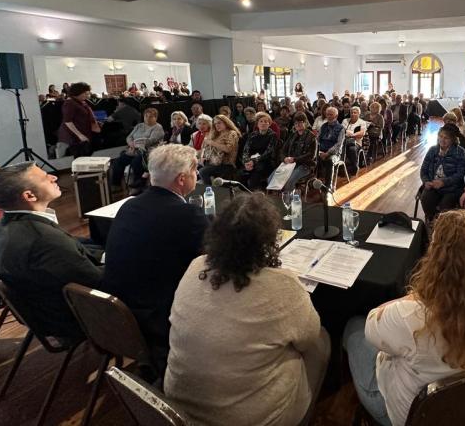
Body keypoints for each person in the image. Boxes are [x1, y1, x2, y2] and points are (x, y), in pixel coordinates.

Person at [343, 209, 465, 426]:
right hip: (462, 410)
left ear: (437, 263)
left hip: (406, 415)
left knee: (353, 328)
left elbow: (371, 328)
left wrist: (420, 293)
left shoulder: (414, 315)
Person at [165, 193, 329, 426]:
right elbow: (309, 338)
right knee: (322, 341)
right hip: (251, 419)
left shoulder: (195, 266)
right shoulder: (283, 285)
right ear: (270, 240)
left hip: (177, 410)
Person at [105, 145, 208, 356]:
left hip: (117, 315)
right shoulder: (188, 215)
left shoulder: (129, 205)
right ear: (181, 179)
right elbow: (212, 261)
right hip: (159, 320)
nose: (197, 174)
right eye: (195, 170)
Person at [0, 163, 103, 339]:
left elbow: (71, 251)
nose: (54, 177)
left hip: (42, 308)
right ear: (29, 195)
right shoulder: (43, 239)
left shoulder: (0, 226)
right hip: (70, 318)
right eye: (45, 177)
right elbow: (98, 282)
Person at [419, 124, 465, 224]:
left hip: (452, 188)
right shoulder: (433, 150)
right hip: (433, 185)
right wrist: (426, 181)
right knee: (425, 199)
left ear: (453, 140)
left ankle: (443, 226)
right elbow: (423, 169)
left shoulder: (460, 152)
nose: (442, 140)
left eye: (446, 138)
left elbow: (461, 173)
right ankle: (432, 221)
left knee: (445, 207)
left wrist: (443, 182)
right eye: (440, 136)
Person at [111, 107, 165, 190]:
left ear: (156, 118)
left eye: (151, 116)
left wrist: (135, 145)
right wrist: (131, 143)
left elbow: (150, 141)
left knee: (135, 162)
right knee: (118, 161)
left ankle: (139, 185)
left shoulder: (158, 128)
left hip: (147, 152)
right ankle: (116, 185)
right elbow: (129, 137)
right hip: (133, 149)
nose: (147, 118)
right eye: (146, 116)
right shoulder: (139, 125)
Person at [270, 112, 317, 192]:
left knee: (289, 181)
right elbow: (282, 150)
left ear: (305, 123)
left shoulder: (312, 137)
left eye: (300, 122)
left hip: (305, 165)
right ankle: (283, 197)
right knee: (271, 179)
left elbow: (311, 156)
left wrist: (295, 159)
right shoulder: (292, 135)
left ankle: (289, 199)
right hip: (289, 164)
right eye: (295, 123)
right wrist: (284, 159)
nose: (297, 125)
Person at [56, 82, 100, 158]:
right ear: (77, 93)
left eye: (88, 93)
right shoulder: (70, 103)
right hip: (72, 136)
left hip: (82, 134)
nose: (87, 95)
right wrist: (80, 135)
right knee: (76, 157)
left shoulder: (81, 102)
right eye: (85, 94)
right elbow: (68, 121)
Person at [241, 112, 279, 190]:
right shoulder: (252, 135)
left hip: (266, 162)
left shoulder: (273, 135)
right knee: (240, 176)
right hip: (251, 161)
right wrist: (246, 161)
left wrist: (253, 161)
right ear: (257, 124)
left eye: (266, 121)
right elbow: (246, 150)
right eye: (261, 121)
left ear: (269, 124)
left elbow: (268, 152)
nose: (263, 123)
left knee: (253, 178)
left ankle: (255, 195)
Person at [199, 114, 241, 183]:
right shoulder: (216, 134)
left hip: (226, 164)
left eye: (219, 123)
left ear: (226, 123)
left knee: (203, 171)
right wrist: (203, 157)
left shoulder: (232, 133)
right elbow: (205, 148)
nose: (217, 125)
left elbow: (228, 149)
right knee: (195, 167)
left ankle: (211, 191)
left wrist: (212, 143)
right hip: (213, 162)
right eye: (215, 124)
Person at [317, 106, 346, 186]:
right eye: (327, 114)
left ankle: (328, 186)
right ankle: (314, 183)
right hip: (321, 151)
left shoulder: (341, 128)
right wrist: (318, 151)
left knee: (329, 161)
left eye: (331, 115)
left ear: (336, 116)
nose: (328, 116)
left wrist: (327, 153)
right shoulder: (323, 126)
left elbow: (338, 145)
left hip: (334, 153)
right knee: (311, 158)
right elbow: (317, 140)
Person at [342, 106, 368, 176]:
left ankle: (354, 167)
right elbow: (342, 131)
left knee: (352, 148)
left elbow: (361, 133)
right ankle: (341, 167)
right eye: (351, 113)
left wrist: (351, 134)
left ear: (358, 114)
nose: (353, 114)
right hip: (344, 141)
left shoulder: (362, 122)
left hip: (357, 142)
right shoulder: (345, 121)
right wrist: (353, 134)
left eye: (355, 113)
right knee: (342, 147)